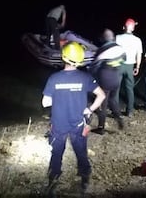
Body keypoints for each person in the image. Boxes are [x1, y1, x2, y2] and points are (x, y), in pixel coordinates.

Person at [41, 41, 106, 194]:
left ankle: (53, 182)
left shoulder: (54, 78)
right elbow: (101, 95)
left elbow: (45, 102)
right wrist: (89, 109)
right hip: (78, 125)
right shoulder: (85, 78)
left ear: (63, 57)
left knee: (56, 154)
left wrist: (60, 97)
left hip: (58, 126)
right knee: (81, 152)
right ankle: (84, 179)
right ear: (80, 60)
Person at [89, 29, 126, 134]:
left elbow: (94, 66)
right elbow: (124, 59)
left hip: (105, 79)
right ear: (113, 37)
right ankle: (119, 119)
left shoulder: (102, 50)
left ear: (103, 38)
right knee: (113, 100)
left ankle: (101, 127)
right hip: (117, 77)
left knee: (102, 103)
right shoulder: (120, 48)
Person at [115, 18, 143, 117]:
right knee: (130, 88)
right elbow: (139, 55)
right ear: (133, 28)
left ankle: (116, 111)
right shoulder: (137, 40)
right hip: (130, 66)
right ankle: (130, 111)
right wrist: (138, 66)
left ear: (124, 27)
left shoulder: (117, 38)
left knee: (116, 88)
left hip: (119, 65)